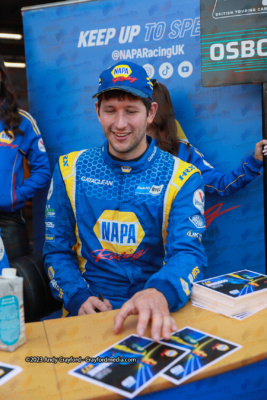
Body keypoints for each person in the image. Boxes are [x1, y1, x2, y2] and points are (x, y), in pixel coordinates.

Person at [43, 61, 207, 341]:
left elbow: (188, 254)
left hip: (153, 313)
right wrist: (77, 296)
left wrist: (159, 293)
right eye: (110, 111)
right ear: (97, 112)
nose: (120, 124)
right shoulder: (70, 169)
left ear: (150, 113)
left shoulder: (182, 176)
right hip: (89, 313)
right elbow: (56, 249)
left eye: (131, 111)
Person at [148, 79, 266, 196]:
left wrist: (255, 161)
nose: (129, 116)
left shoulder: (182, 152)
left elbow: (221, 184)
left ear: (153, 111)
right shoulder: (129, 150)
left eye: (132, 109)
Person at [0, 55, 51, 259]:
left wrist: (15, 196)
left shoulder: (21, 121)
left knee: (13, 286)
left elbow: (43, 170)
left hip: (8, 222)